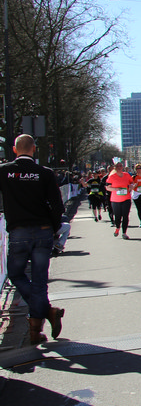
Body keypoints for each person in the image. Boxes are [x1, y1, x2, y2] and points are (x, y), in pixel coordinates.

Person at [0, 134, 66, 343]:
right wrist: (53, 228)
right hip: (43, 230)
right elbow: (57, 205)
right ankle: (41, 321)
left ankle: (39, 326)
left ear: (14, 149)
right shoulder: (44, 173)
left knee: (15, 274)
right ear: (34, 149)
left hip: (18, 230)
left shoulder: (4, 171)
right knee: (39, 280)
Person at [106, 161, 134, 239]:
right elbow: (107, 187)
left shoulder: (127, 175)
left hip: (126, 198)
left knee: (125, 216)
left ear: (122, 167)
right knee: (117, 216)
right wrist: (115, 189)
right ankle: (117, 228)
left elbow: (132, 182)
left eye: (120, 166)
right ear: (115, 168)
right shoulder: (112, 176)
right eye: (117, 166)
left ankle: (124, 233)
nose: (119, 167)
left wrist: (131, 186)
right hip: (115, 200)